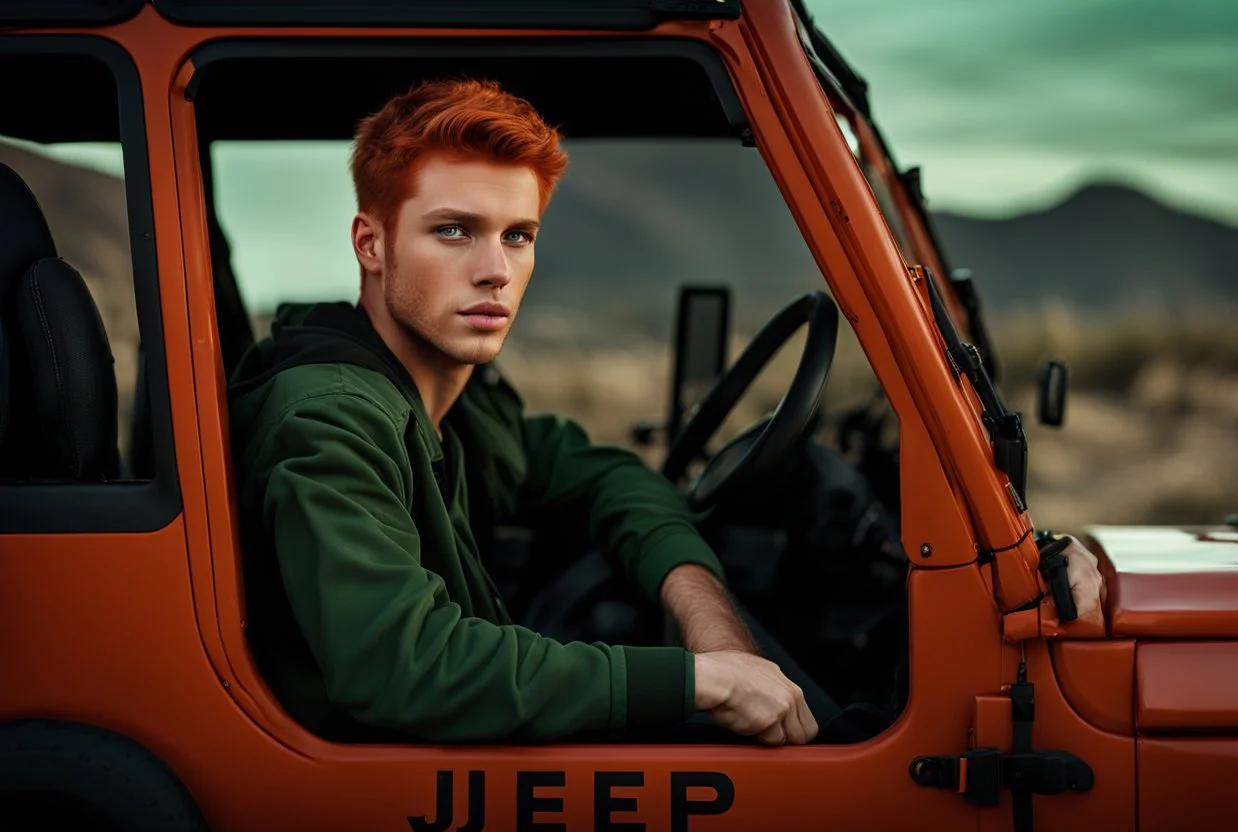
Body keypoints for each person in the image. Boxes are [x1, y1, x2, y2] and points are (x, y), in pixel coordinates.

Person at [228, 78, 1105, 747]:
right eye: (453, 230)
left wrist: (706, 614)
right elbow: (402, 668)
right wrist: (705, 684)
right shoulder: (331, 416)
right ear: (370, 244)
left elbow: (601, 473)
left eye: (518, 235)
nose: (495, 269)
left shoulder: (450, 399)